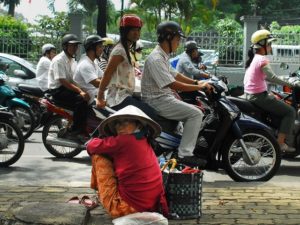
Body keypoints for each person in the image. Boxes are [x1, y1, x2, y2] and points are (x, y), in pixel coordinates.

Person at [141, 21, 213, 167]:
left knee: (198, 110)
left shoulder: (162, 56)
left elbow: (175, 74)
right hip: (157, 100)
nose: (179, 43)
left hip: (164, 97)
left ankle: (181, 145)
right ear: (168, 37)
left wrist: (196, 83)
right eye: (177, 39)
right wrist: (199, 87)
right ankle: (185, 154)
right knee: (195, 114)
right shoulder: (155, 58)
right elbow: (171, 83)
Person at [87, 105, 168, 218]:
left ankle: (100, 193)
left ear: (138, 124)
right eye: (118, 123)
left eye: (125, 122)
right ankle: (100, 193)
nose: (120, 127)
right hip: (151, 206)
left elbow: (91, 146)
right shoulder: (144, 140)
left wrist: (99, 140)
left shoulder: (124, 140)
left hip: (128, 209)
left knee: (98, 156)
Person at [243, 29, 296, 152]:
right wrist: (292, 85)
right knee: (290, 112)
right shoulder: (262, 60)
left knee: (279, 101)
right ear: (262, 45)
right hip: (258, 96)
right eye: (269, 44)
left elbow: (267, 77)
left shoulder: (254, 59)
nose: (271, 47)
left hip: (251, 95)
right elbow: (272, 77)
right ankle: (281, 143)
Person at [96, 14, 157, 120]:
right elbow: (107, 73)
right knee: (152, 115)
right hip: (118, 98)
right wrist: (100, 97)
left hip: (125, 95)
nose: (136, 33)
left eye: (138, 30)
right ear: (124, 31)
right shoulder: (120, 50)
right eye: (132, 30)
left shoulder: (126, 50)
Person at [48, 33, 90, 137]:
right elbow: (63, 81)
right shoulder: (59, 60)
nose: (75, 48)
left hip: (66, 88)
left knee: (88, 98)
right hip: (58, 90)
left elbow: (74, 80)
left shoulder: (72, 60)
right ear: (65, 46)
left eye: (76, 46)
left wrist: (85, 89)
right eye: (72, 45)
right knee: (81, 99)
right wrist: (80, 91)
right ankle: (76, 129)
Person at [74, 35, 104, 105]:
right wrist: (114, 83)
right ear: (91, 48)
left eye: (102, 46)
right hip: (91, 98)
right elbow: (97, 83)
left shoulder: (93, 62)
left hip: (96, 94)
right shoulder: (85, 64)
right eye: (100, 46)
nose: (102, 49)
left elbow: (103, 76)